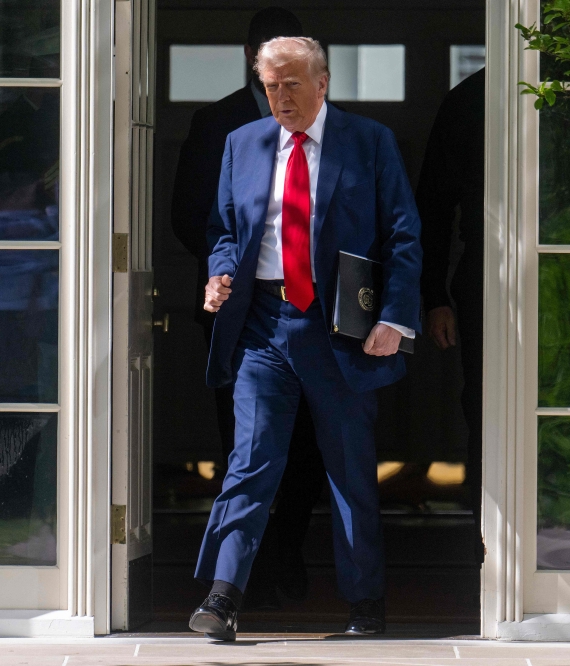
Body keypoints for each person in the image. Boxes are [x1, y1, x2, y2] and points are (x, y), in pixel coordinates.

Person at [188, 37, 422, 640]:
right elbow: (223, 230)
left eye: (292, 84)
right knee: (251, 462)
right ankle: (222, 596)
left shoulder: (368, 142)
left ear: (323, 82)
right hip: (263, 325)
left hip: (338, 328)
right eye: (270, 85)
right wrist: (219, 274)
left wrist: (393, 320)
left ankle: (365, 604)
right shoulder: (243, 143)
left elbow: (401, 235)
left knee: (349, 469)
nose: (281, 97)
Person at [170, 7, 325, 608]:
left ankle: (285, 550)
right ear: (250, 55)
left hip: (313, 313)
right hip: (239, 314)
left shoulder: (332, 125)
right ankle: (239, 576)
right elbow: (190, 216)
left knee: (308, 450)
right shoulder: (217, 125)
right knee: (245, 448)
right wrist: (228, 266)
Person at [416, 67, 485, 560]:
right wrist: (434, 295)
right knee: (484, 410)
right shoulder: (471, 98)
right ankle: (489, 545)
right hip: (485, 278)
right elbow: (434, 209)